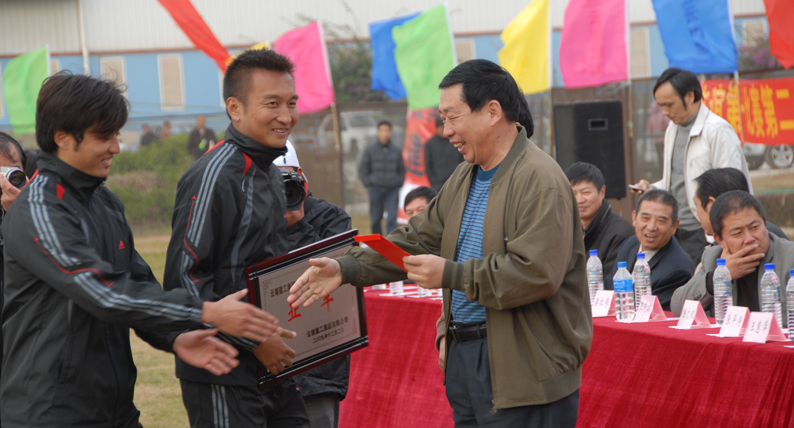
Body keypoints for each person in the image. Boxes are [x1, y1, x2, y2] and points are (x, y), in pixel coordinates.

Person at [289, 59, 590, 427]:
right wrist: (346, 267)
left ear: (492, 112)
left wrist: (451, 274)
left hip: (525, 370)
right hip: (467, 359)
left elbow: (536, 274)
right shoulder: (465, 176)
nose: (446, 131)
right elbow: (416, 239)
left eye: (452, 117)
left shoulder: (539, 179)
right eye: (443, 119)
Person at [0, 73, 281, 428]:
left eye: (116, 135)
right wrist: (207, 310)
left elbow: (136, 281)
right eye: (104, 136)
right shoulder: (38, 207)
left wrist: (175, 337)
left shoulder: (105, 202)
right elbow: (103, 292)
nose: (115, 147)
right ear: (62, 137)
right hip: (50, 412)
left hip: (116, 409)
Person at [163, 49, 310, 428]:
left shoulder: (269, 170)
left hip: (272, 362)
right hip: (223, 365)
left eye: (292, 103)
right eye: (272, 104)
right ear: (235, 108)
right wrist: (255, 341)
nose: (286, 116)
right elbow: (184, 280)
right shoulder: (213, 175)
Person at [631, 68, 752, 266]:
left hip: (705, 234)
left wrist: (721, 235)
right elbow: (677, 179)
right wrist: (652, 188)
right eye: (661, 106)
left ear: (690, 96)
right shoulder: (672, 129)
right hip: (676, 231)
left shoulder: (717, 130)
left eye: (669, 104)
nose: (665, 113)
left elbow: (732, 188)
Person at [275, 141, 353, 428]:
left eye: (286, 178)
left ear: (300, 174)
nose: (280, 190)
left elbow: (333, 285)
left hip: (317, 367)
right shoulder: (249, 217)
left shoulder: (331, 218)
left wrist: (297, 225)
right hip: (263, 358)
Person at [671, 191, 794, 317]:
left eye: (755, 227)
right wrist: (720, 276)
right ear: (719, 240)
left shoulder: (789, 256)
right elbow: (677, 307)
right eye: (738, 233)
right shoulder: (714, 257)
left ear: (765, 225)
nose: (749, 238)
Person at [604, 189, 695, 310]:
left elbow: (651, 313)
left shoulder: (678, 270)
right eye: (645, 218)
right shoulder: (630, 244)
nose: (651, 227)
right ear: (634, 218)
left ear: (674, 226)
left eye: (661, 221)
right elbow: (609, 287)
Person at [565, 162, 634, 276]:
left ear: (602, 192)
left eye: (586, 192)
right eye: (573, 194)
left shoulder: (621, 233)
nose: (579, 200)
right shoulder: (564, 229)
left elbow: (612, 280)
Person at [693, 167, 788, 240]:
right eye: (737, 233)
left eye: (696, 205)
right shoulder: (718, 247)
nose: (697, 214)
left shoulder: (766, 240)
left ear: (712, 205)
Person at [358, 120, 405, 235]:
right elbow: (363, 168)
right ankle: (377, 243)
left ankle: (392, 242)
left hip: (392, 190)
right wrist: (368, 183)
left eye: (387, 130)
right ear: (378, 132)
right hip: (375, 189)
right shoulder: (369, 150)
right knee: (375, 219)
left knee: (392, 219)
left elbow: (402, 169)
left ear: (391, 132)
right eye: (382, 130)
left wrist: (399, 182)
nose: (385, 133)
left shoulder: (396, 150)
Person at [424, 116, 464, 191]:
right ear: (436, 128)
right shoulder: (430, 144)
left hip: (455, 180)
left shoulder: (454, 141)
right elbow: (428, 164)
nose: (443, 131)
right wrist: (433, 181)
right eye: (441, 128)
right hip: (438, 183)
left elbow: (462, 158)